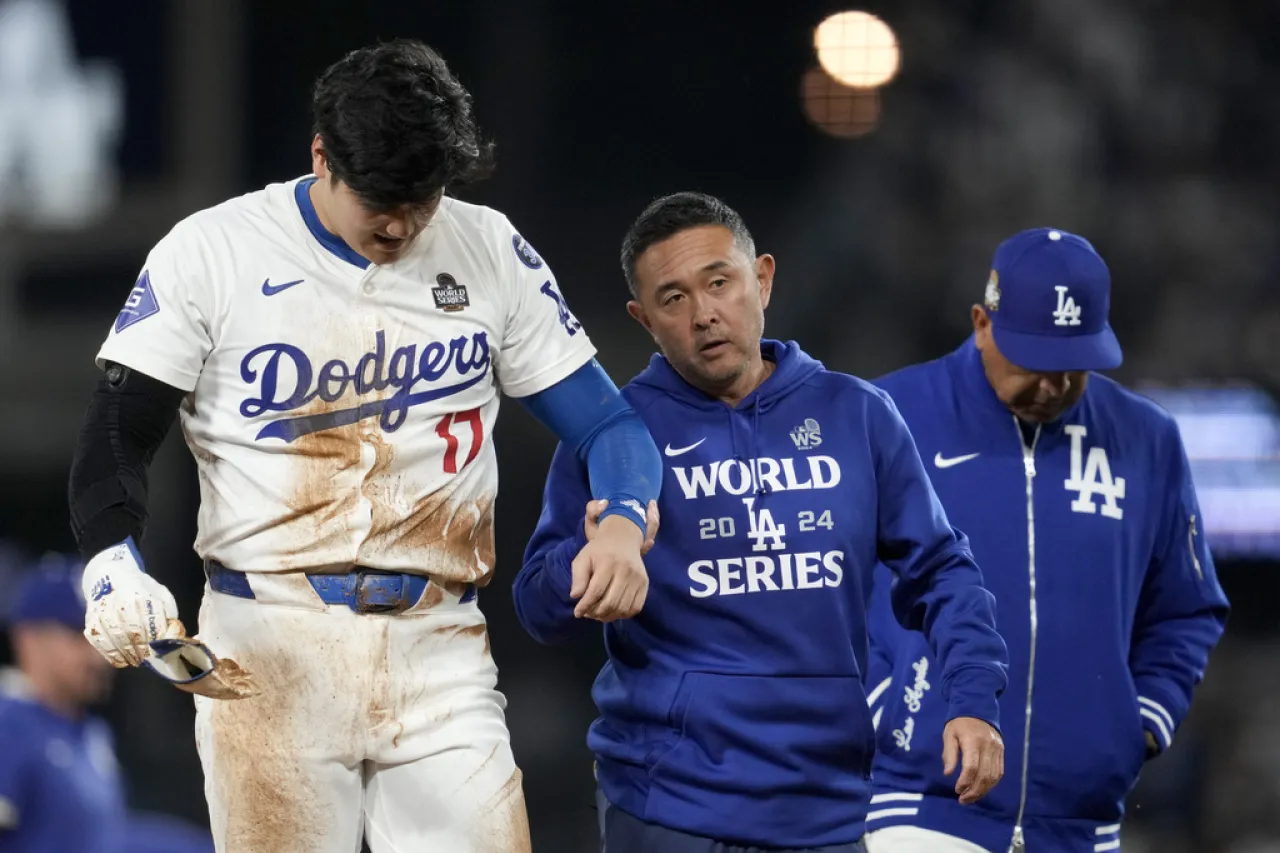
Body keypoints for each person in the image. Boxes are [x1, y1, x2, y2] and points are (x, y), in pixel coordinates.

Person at [66, 39, 662, 853]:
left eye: (421, 198)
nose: (399, 221)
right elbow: (116, 427)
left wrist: (625, 518)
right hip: (270, 642)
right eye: (380, 196)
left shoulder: (485, 247)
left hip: (439, 648)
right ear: (322, 156)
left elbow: (610, 424)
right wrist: (110, 561)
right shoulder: (215, 249)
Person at [513, 192, 1011, 853]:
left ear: (764, 279)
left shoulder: (858, 415)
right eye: (673, 299)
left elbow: (945, 573)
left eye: (720, 282)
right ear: (644, 320)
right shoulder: (613, 431)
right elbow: (535, 606)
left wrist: (973, 696)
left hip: (825, 807)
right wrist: (589, 551)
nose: (704, 314)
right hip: (667, 807)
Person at [862, 228, 1230, 853]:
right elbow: (821, 581)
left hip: (1081, 823)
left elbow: (1187, 608)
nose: (1053, 387)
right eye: (1035, 363)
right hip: (923, 801)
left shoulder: (1147, 439)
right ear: (983, 322)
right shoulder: (891, 413)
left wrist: (1135, 721)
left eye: (1073, 367)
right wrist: (886, 703)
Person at [0, 552, 214, 853]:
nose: (98, 655)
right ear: (28, 638)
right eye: (79, 634)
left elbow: (104, 839)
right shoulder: (8, 723)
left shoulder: (90, 732)